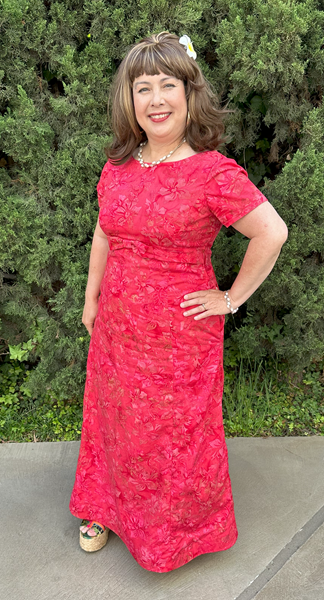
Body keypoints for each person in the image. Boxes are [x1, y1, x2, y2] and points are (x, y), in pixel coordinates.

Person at [69, 31, 288, 573]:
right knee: (113, 421)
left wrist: (232, 298)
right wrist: (91, 297)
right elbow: (104, 231)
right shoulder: (117, 165)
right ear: (130, 100)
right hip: (118, 326)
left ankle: (169, 535)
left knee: (171, 437)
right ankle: (105, 509)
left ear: (190, 95)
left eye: (168, 85)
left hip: (179, 338)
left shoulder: (213, 173)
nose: (156, 99)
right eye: (144, 88)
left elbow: (272, 233)